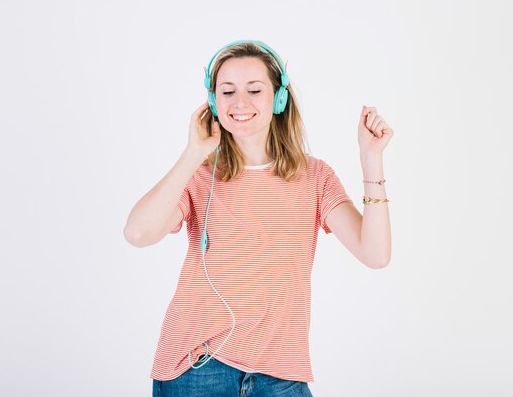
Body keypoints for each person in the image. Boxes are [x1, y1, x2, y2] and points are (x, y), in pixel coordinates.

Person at [123, 39, 393, 397]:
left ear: (278, 99)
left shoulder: (315, 177)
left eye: (254, 89)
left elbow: (375, 254)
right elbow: (138, 232)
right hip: (199, 368)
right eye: (227, 91)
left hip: (282, 374)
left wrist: (370, 158)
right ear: (212, 102)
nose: (240, 102)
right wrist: (193, 153)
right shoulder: (199, 175)